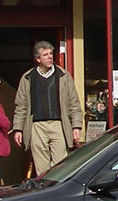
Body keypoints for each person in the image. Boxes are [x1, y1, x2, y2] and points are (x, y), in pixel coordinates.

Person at [11, 40, 83, 175]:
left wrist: (76, 126)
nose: (50, 57)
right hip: (37, 126)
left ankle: (60, 193)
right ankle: (45, 193)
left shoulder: (63, 75)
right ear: (38, 59)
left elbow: (74, 102)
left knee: (61, 166)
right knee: (41, 168)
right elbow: (21, 106)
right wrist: (18, 129)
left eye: (51, 54)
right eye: (45, 55)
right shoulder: (28, 78)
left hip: (59, 124)